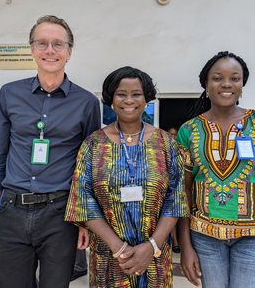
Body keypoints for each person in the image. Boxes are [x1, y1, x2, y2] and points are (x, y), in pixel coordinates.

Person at [0, 15, 100, 288]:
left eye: (58, 44)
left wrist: (84, 221)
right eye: (42, 43)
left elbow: (89, 167)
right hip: (12, 210)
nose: (50, 50)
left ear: (69, 52)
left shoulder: (86, 103)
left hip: (59, 215)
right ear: (32, 49)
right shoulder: (9, 94)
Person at [176, 51, 255, 288]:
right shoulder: (188, 130)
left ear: (242, 85)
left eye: (235, 78)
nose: (226, 84)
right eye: (217, 78)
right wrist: (185, 246)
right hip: (205, 238)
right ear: (206, 84)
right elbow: (184, 192)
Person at [65, 66, 189, 288]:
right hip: (108, 257)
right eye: (121, 94)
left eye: (136, 94)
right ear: (111, 98)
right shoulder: (93, 144)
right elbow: (82, 199)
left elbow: (176, 199)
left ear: (146, 98)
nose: (129, 100)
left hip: (156, 257)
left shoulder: (166, 144)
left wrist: (151, 246)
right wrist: (119, 248)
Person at [167, 126, 180, 253]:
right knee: (172, 214)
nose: (173, 137)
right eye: (171, 134)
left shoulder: (182, 148)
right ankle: (175, 241)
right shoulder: (165, 148)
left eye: (175, 134)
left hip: (183, 186)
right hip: (171, 188)